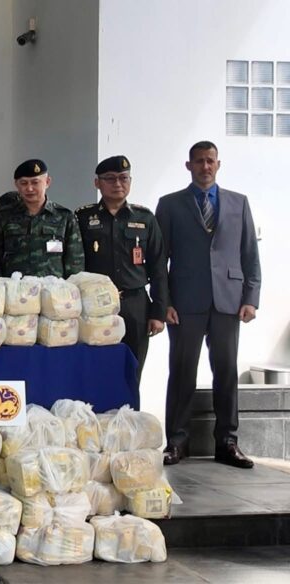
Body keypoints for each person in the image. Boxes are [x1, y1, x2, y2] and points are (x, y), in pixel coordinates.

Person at [156, 141, 261, 469]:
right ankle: (177, 441)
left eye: (210, 161)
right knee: (182, 373)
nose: (205, 166)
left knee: (226, 372)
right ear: (189, 165)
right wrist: (164, 302)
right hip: (185, 302)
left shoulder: (238, 203)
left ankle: (228, 442)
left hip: (228, 301)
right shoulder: (170, 205)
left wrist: (251, 298)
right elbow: (159, 260)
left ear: (218, 164)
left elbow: (249, 254)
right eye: (199, 161)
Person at [76, 156, 168, 383]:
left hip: (135, 304)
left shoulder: (145, 218)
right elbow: (75, 266)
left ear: (130, 181)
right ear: (97, 183)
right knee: (95, 370)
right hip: (95, 306)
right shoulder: (83, 218)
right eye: (110, 178)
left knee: (133, 369)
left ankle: (131, 406)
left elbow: (158, 267)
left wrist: (158, 312)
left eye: (123, 178)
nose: (118, 183)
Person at [0, 159, 84, 277]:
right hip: (14, 286)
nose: (29, 188)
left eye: (35, 182)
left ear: (47, 182)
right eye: (24, 183)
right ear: (16, 185)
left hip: (52, 287)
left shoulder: (64, 217)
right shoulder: (4, 216)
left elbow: (75, 263)